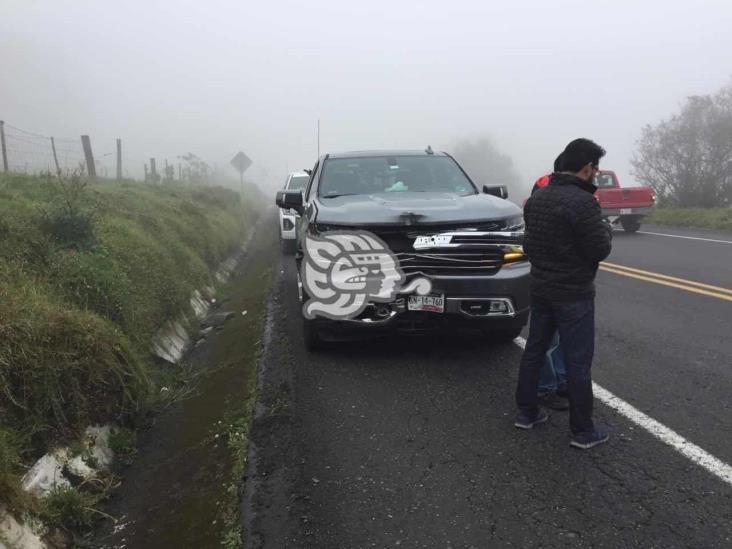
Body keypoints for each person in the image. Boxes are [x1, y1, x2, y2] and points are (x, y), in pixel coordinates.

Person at [514, 138, 612, 450]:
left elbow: (529, 244)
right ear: (587, 167)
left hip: (541, 288)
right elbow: (599, 248)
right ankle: (583, 431)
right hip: (574, 294)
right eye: (595, 167)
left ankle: (527, 414)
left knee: (534, 349)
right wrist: (606, 228)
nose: (595, 173)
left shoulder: (538, 198)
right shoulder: (584, 203)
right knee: (578, 361)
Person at [531, 155, 570, 412]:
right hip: (551, 280)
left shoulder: (553, 189)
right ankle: (546, 387)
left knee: (562, 337)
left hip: (562, 281)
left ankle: (561, 382)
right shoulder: (548, 190)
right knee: (548, 339)